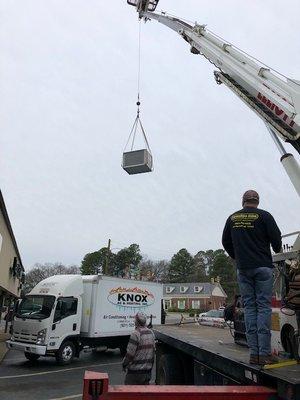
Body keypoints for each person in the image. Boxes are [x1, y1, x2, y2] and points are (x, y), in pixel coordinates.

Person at [222, 190, 282, 365]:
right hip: (263, 267)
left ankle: (254, 354)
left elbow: (225, 241)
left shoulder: (232, 218)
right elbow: (276, 239)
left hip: (244, 268)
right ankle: (264, 353)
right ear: (257, 201)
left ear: (243, 201)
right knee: (263, 308)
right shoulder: (265, 216)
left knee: (249, 308)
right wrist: (276, 248)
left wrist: (237, 256)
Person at [122, 312, 155, 385]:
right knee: (143, 395)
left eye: (135, 320)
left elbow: (130, 354)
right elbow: (153, 353)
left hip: (135, 373)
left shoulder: (135, 334)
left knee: (129, 394)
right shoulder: (151, 333)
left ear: (136, 322)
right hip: (147, 372)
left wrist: (124, 364)